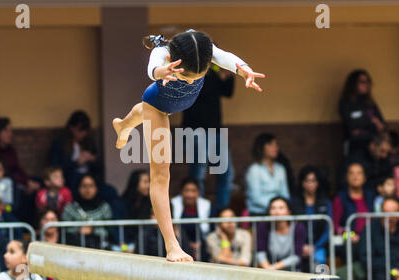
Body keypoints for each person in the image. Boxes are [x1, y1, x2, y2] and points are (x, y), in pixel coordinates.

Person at [112, 29, 265, 262]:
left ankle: (123, 127)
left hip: (175, 104)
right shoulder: (164, 52)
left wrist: (243, 69)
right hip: (159, 105)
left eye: (198, 76)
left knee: (141, 113)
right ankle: (172, 245)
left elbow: (225, 57)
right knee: (161, 175)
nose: (193, 80)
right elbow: (152, 67)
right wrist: (160, 71)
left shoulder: (205, 50)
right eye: (187, 77)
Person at [181, 64, 235, 211]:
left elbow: (227, 92)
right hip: (194, 131)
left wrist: (229, 75)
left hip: (215, 131)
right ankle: (199, 214)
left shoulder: (215, 71)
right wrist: (220, 77)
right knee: (198, 173)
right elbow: (201, 91)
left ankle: (221, 214)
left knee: (226, 173)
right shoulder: (191, 68)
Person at [290, 165, 332, 271]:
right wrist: (301, 245)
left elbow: (328, 229)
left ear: (318, 183)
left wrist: (315, 246)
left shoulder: (325, 202)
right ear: (302, 183)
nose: (310, 184)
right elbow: (290, 226)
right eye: (307, 181)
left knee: (320, 266)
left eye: (313, 181)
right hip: (298, 245)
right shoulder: (294, 202)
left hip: (318, 246)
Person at [49, 110, 101, 192]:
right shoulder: (60, 143)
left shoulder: (89, 143)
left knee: (109, 190)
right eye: (80, 130)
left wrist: (92, 160)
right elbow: (55, 168)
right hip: (71, 179)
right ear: (71, 128)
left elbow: (99, 169)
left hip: (89, 177)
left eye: (85, 130)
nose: (83, 133)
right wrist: (77, 162)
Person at [339, 70, 386, 156]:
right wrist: (373, 122)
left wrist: (372, 123)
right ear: (353, 84)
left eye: (368, 81)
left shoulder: (370, 102)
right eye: (362, 82)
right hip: (356, 144)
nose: (366, 85)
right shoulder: (346, 102)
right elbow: (351, 125)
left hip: (374, 143)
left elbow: (383, 124)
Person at [0, 117, 40, 193]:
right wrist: (24, 183)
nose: (10, 134)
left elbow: (17, 168)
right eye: (6, 131)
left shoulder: (10, 150)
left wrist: (27, 182)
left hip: (16, 181)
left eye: (10, 131)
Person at [359, 197, 399, 280]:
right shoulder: (370, 229)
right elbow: (366, 259)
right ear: (380, 212)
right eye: (385, 212)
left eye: (393, 212)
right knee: (381, 279)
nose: (388, 216)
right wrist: (393, 270)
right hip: (379, 271)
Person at [61, 173, 112, 249]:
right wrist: (78, 230)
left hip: (100, 249)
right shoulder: (70, 208)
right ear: (78, 188)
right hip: (74, 249)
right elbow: (63, 231)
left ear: (96, 188)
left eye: (91, 186)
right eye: (84, 186)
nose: (87, 190)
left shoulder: (104, 207)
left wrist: (93, 230)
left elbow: (110, 231)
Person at [256, 197, 306, 271]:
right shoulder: (263, 226)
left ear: (289, 212)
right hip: (268, 267)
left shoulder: (298, 227)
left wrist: (274, 267)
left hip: (291, 269)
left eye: (281, 208)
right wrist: (267, 268)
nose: (276, 211)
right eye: (273, 208)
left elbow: (296, 256)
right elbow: (260, 252)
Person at [245, 133, 290, 215]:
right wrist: (274, 207)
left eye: (276, 145)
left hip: (280, 212)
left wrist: (281, 207)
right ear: (261, 147)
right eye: (270, 145)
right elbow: (255, 198)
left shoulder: (281, 168)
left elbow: (285, 194)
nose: (275, 148)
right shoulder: (254, 169)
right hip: (259, 213)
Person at [171, 176, 212, 260]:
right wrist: (189, 245)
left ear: (198, 192)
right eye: (187, 191)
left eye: (193, 191)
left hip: (202, 244)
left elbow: (209, 229)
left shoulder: (206, 205)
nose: (190, 195)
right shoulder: (173, 204)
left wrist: (199, 244)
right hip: (180, 243)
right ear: (181, 192)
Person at [120, 169, 152, 249]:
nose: (148, 185)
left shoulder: (148, 201)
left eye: (149, 182)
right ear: (135, 183)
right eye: (145, 182)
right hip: (125, 243)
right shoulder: (123, 201)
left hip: (143, 243)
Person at [37, 208, 59, 280]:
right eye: (46, 219)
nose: (50, 223)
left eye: (53, 219)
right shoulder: (35, 242)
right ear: (40, 222)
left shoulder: (69, 239)